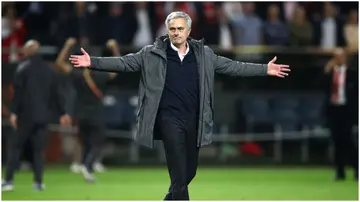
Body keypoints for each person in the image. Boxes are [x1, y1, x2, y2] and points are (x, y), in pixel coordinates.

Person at [69, 11, 290, 200]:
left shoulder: (204, 54)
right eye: (172, 28)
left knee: (188, 172)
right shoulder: (151, 53)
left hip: (194, 119)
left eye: (180, 28)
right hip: (168, 119)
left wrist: (264, 69)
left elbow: (234, 66)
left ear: (188, 31)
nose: (176, 32)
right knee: (177, 171)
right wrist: (94, 62)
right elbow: (125, 63)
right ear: (167, 30)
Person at [2, 40, 71, 192]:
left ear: (26, 52)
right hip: (43, 117)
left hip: (25, 116)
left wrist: (13, 113)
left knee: (15, 147)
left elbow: (18, 94)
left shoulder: (23, 68)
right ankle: (38, 182)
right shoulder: (49, 70)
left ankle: (8, 181)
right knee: (39, 151)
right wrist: (63, 112)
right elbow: (57, 94)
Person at [57, 38, 118, 182]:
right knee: (97, 142)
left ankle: (85, 167)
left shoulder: (78, 75)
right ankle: (88, 165)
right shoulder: (99, 74)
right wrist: (114, 48)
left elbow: (60, 64)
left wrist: (67, 46)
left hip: (80, 114)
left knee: (85, 143)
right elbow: (115, 69)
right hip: (96, 113)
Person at [324, 48, 358, 181]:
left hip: (348, 112)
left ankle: (357, 170)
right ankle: (340, 172)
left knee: (350, 142)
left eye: (341, 56)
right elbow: (322, 89)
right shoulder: (329, 74)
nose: (338, 59)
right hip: (334, 110)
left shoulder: (353, 75)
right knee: (337, 142)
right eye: (336, 56)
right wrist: (326, 72)